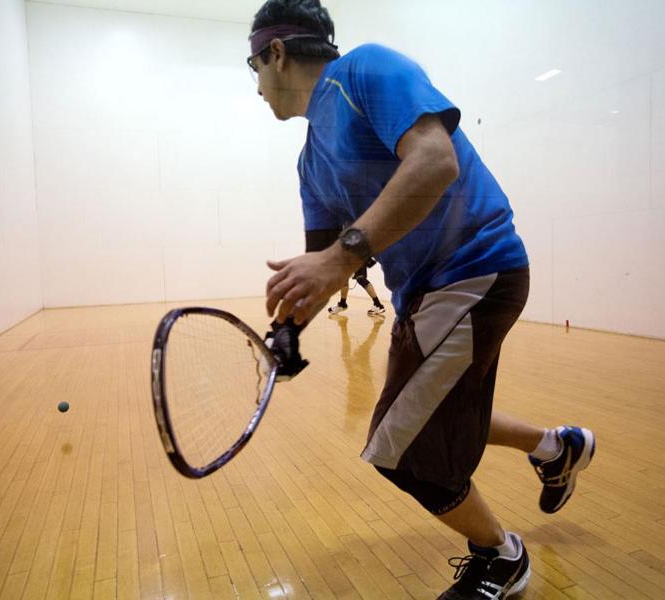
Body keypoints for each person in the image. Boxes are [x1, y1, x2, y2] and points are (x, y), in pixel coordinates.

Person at [250, 1, 596, 597]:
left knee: (399, 448)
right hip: (424, 295)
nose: (255, 86)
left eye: (252, 64)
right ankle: (556, 447)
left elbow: (436, 161)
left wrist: (339, 258)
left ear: (276, 52)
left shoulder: (365, 70)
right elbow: (325, 264)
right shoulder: (311, 162)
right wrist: (288, 331)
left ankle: (500, 555)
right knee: (436, 412)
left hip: (476, 270)